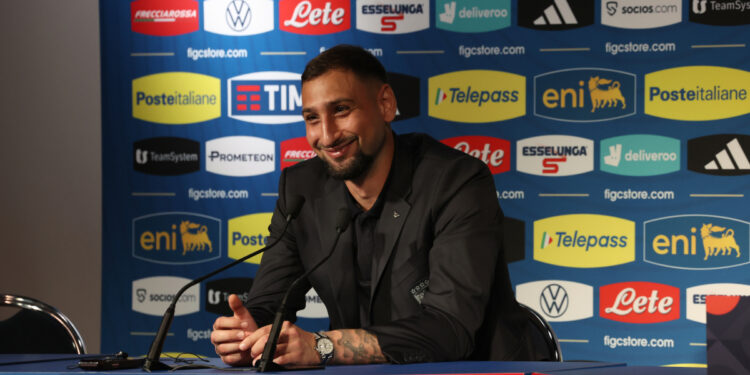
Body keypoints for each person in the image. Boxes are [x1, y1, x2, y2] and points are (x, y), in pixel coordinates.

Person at [210, 44, 545, 367]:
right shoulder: (301, 190)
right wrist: (248, 334)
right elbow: (271, 303)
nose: (326, 136)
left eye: (341, 110)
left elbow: (450, 329)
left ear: (385, 104)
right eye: (312, 117)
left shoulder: (456, 181)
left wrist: (323, 347)